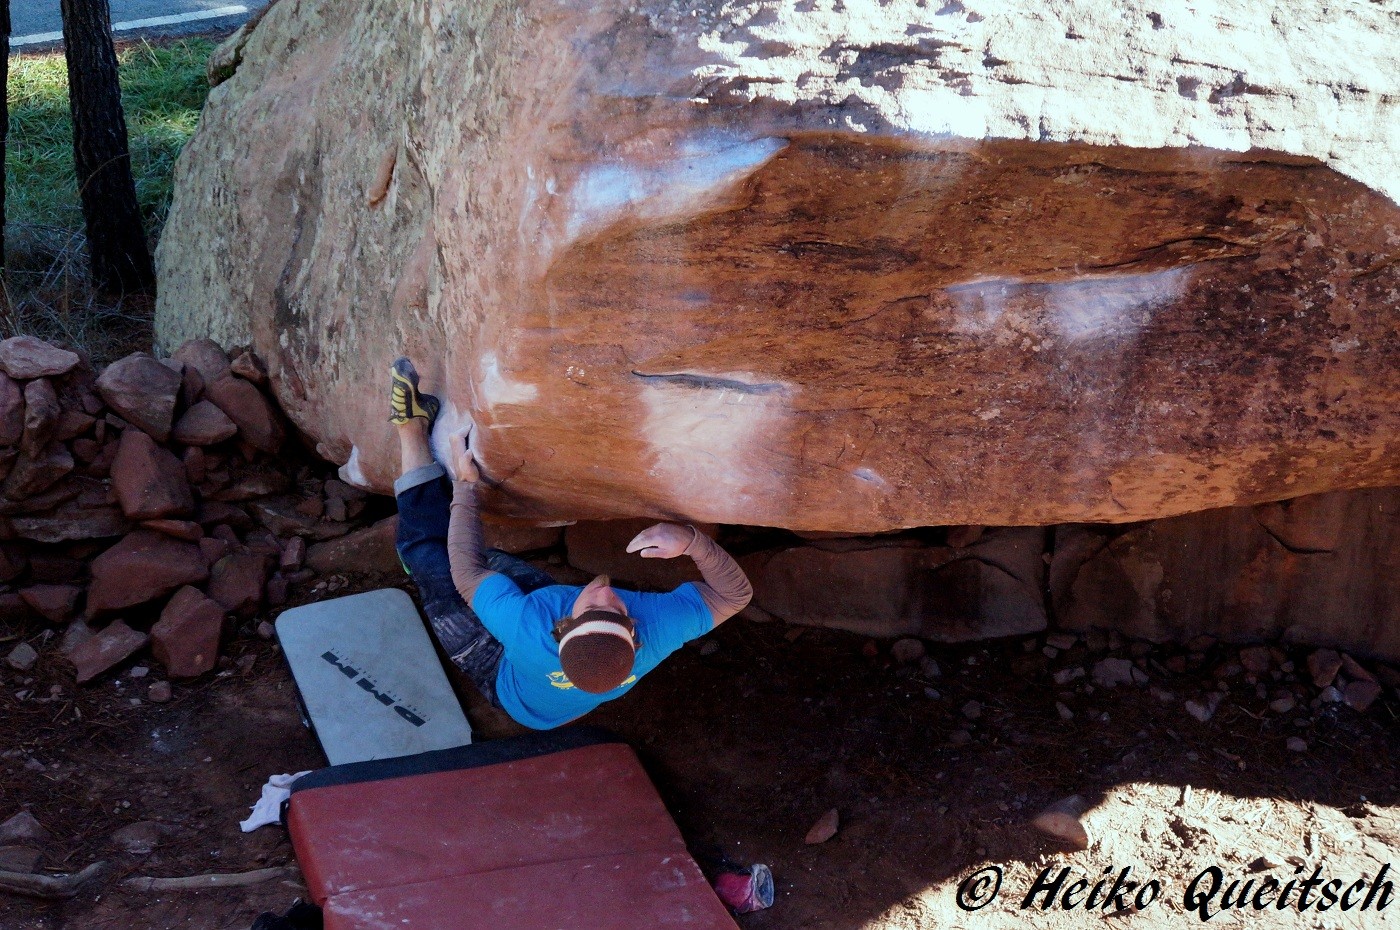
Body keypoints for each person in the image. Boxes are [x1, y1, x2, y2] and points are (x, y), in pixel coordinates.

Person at [387, 358, 753, 730]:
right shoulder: (657, 630)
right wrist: (691, 541)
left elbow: (468, 574)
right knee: (486, 564)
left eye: (592, 608)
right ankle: (440, 536)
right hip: (559, 669)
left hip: (507, 684)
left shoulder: (528, 626)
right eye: (616, 611)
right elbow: (734, 596)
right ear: (633, 632)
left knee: (429, 559)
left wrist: (466, 486)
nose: (605, 593)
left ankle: (411, 428)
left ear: (561, 625)